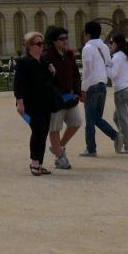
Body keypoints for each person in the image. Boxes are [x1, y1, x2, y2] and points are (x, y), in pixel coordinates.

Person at [13, 32, 59, 176]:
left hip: (45, 102)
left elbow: (48, 81)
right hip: (30, 104)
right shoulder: (23, 62)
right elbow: (18, 84)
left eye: (42, 44)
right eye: (38, 44)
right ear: (29, 46)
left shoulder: (43, 61)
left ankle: (39, 163)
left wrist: (52, 71)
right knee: (38, 130)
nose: (41, 46)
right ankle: (34, 162)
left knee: (44, 132)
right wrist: (20, 103)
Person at [79, 21, 122, 156]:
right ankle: (115, 136)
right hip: (103, 85)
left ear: (87, 34)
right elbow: (109, 63)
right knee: (97, 118)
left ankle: (91, 149)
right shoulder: (104, 47)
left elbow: (87, 71)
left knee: (90, 121)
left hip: (92, 86)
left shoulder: (87, 48)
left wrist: (83, 89)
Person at [43, 27, 82, 170]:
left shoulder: (69, 54)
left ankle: (58, 147)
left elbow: (76, 75)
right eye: (62, 39)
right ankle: (60, 157)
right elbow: (45, 80)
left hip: (70, 97)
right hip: (55, 100)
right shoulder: (47, 57)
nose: (65, 41)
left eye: (66, 38)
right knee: (55, 128)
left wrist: (78, 91)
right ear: (53, 41)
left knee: (76, 122)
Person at [107, 33, 128, 154]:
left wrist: (106, 65)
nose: (110, 45)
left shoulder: (118, 56)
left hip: (121, 91)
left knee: (122, 119)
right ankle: (124, 139)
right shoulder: (125, 55)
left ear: (117, 44)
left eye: (112, 42)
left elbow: (112, 74)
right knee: (117, 117)